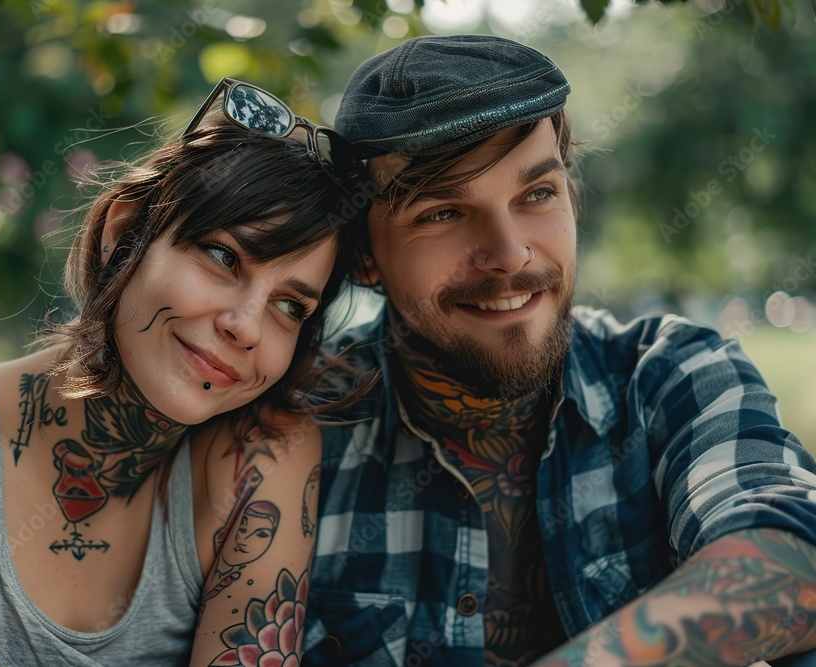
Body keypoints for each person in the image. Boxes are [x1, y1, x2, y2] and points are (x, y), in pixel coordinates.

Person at [303, 35, 816, 666]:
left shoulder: (669, 375)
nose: (511, 252)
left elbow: (795, 556)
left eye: (537, 194)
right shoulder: (296, 429)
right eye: (442, 213)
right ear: (362, 255)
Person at [0, 77, 365, 667]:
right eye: (223, 257)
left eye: (290, 306)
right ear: (124, 234)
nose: (247, 326)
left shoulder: (261, 458)